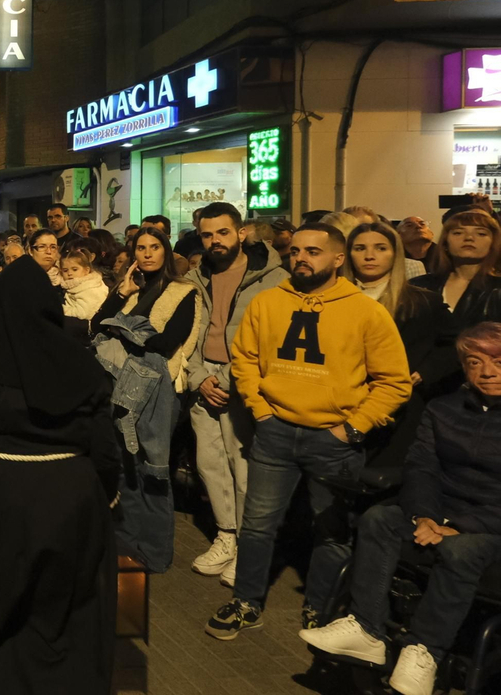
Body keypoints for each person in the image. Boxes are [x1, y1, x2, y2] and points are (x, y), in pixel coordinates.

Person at [300, 323, 501, 695]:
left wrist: (459, 524)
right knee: (379, 519)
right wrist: (423, 515)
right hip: (442, 513)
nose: (487, 372)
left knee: (461, 549)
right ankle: (366, 629)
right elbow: (421, 467)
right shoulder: (443, 409)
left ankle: (424, 650)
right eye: (474, 362)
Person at [206, 223, 413, 640]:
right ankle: (247, 602)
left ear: (338, 259)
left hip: (334, 439)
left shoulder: (365, 311)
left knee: (331, 531)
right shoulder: (268, 302)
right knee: (257, 525)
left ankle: (319, 608)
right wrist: (262, 411)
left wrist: (351, 428)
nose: (301, 258)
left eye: (313, 252)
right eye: (297, 251)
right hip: (275, 432)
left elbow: (395, 382)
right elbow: (244, 359)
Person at [0, 254, 118, 693]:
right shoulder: (81, 363)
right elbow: (103, 443)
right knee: (68, 605)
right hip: (72, 496)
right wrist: (108, 494)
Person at [181, 203, 287, 586]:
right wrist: (198, 377)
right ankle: (226, 535)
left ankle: (247, 544)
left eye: (223, 232)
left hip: (243, 380)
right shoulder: (195, 277)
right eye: (207, 234)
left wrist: (227, 378)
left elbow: (270, 339)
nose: (215, 241)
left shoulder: (273, 278)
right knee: (209, 464)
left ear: (241, 233)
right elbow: (187, 333)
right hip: (202, 378)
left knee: (243, 468)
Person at [89, 226, 205, 573]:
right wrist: (120, 295)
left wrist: (121, 329)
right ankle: (127, 542)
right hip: (120, 384)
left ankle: (155, 552)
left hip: (158, 390)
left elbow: (167, 342)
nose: (148, 253)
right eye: (141, 248)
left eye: (155, 247)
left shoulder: (183, 291)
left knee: (153, 471)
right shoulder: (131, 289)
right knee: (125, 467)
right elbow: (96, 325)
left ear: (166, 251)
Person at [343, 222, 456, 464]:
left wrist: (425, 371)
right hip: (341, 405)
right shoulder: (329, 301)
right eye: (360, 248)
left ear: (395, 254)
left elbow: (454, 345)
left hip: (398, 412)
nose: (370, 256)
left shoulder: (423, 302)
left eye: (381, 248)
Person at [411, 210, 501, 337]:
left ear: (493, 243)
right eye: (458, 233)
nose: (469, 238)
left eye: (481, 233)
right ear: (445, 242)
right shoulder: (418, 286)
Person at [60, 247, 108, 321]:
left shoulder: (90, 288)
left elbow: (84, 314)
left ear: (86, 270)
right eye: (65, 270)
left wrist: (60, 309)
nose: (69, 273)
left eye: (74, 269)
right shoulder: (73, 286)